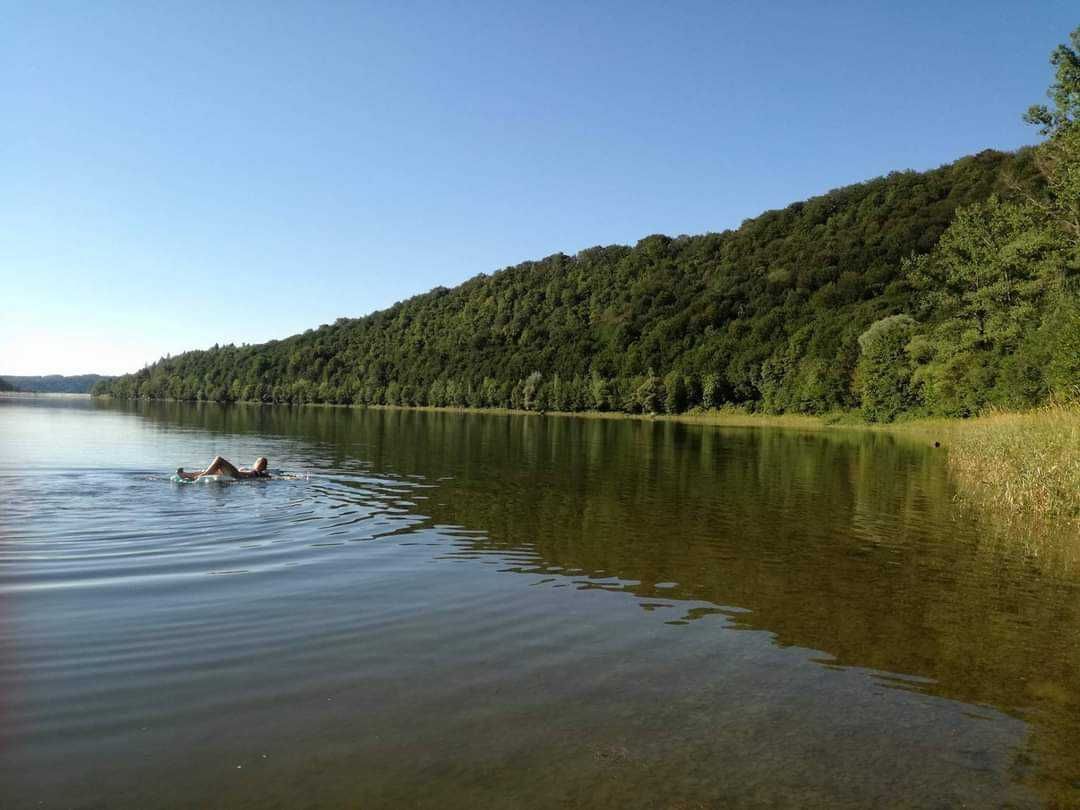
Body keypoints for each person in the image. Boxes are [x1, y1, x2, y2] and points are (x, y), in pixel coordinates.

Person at [176, 456, 270, 481]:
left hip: (238, 477)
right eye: (257, 461)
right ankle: (186, 475)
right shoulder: (250, 469)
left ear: (262, 465)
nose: (256, 462)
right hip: (236, 474)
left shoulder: (261, 473)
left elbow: (269, 478)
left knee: (219, 460)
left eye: (259, 462)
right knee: (210, 470)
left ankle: (198, 477)